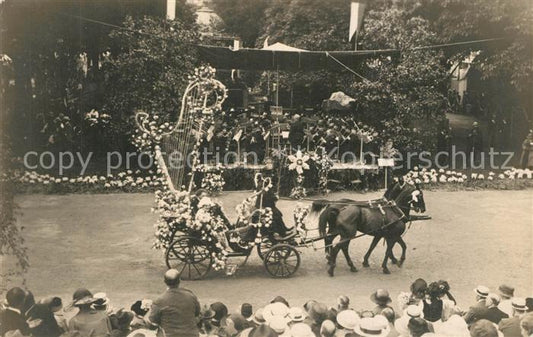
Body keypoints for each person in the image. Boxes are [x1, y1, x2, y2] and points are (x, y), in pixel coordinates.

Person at [147, 269, 201, 337]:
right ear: (179, 280)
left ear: (165, 281)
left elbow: (152, 325)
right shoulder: (191, 296)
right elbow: (197, 314)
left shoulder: (159, 301)